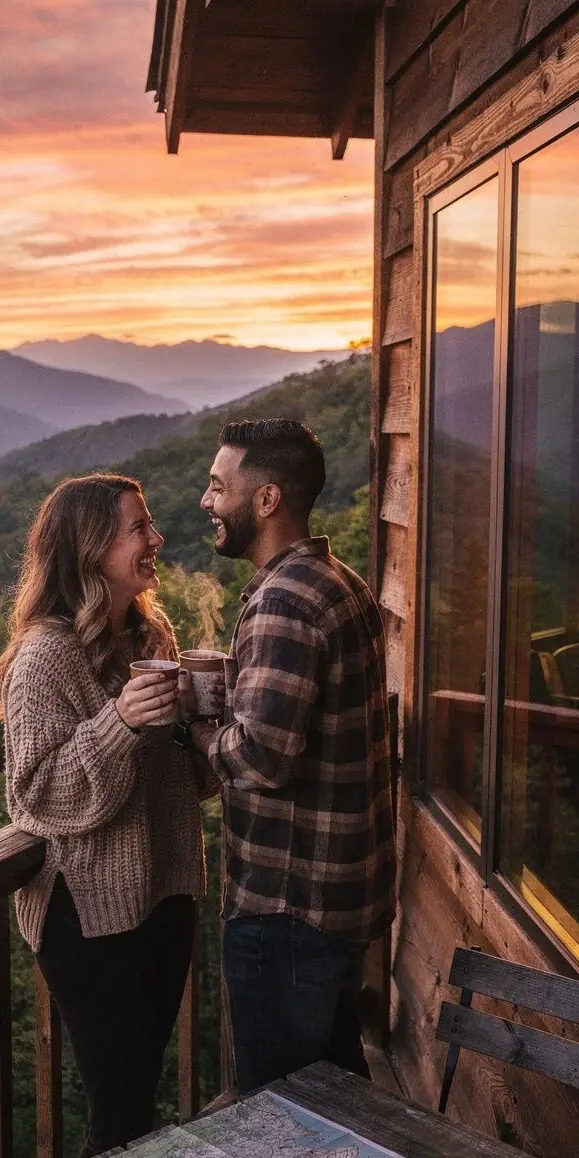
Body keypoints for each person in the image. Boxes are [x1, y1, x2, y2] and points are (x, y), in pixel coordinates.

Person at [0, 473, 207, 1158]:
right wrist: (121, 722)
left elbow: (180, 778)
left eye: (149, 524)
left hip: (164, 893)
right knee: (117, 1106)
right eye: (136, 529)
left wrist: (201, 721)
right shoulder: (44, 658)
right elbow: (36, 795)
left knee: (139, 1093)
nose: (154, 539)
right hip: (86, 914)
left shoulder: (149, 633)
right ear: (88, 549)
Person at [191, 419, 395, 1093]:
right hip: (339, 902)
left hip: (288, 912)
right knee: (334, 1091)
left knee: (278, 1109)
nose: (207, 501)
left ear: (267, 499)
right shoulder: (340, 582)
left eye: (218, 487)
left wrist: (195, 728)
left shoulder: (282, 602)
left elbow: (259, 760)